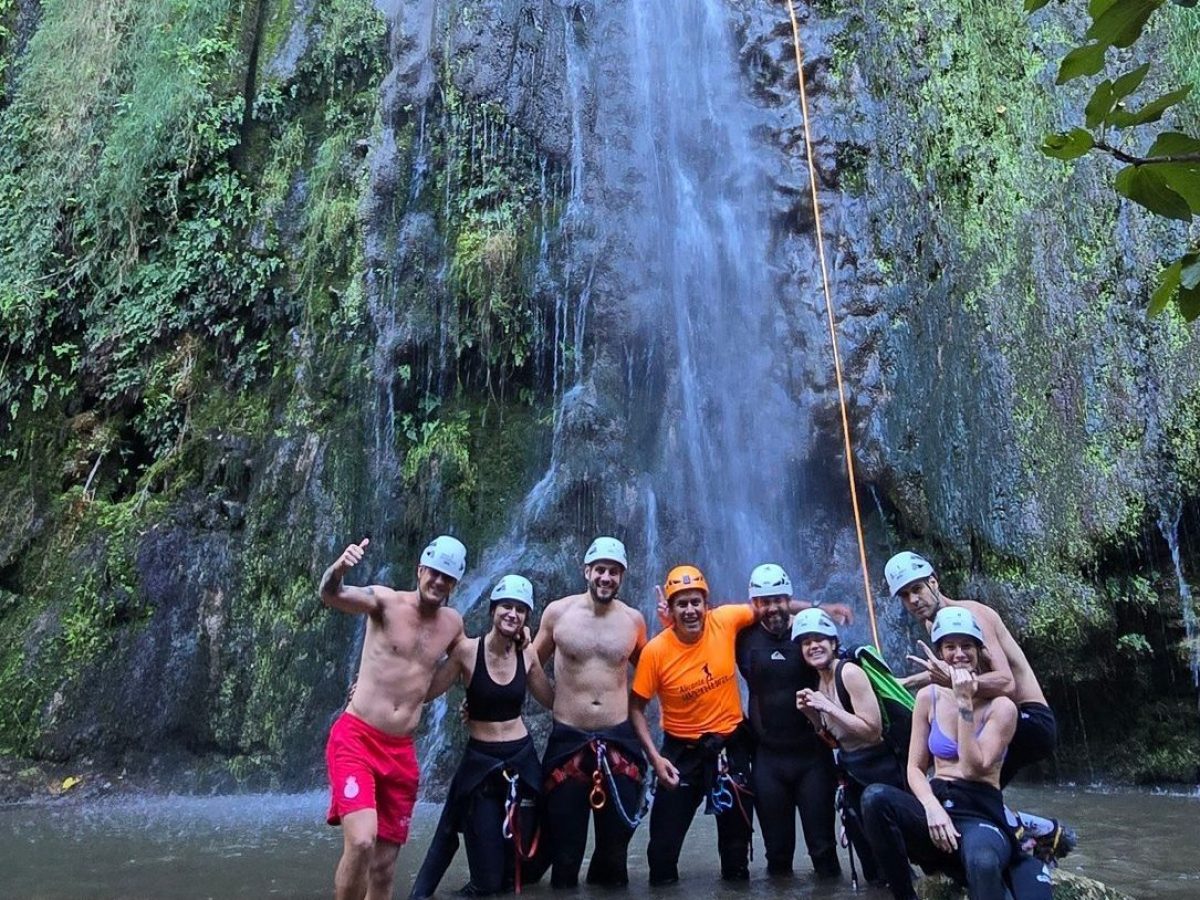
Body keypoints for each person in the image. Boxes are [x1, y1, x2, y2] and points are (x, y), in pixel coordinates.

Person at [630, 564, 853, 885]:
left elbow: (774, 603)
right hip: (684, 751)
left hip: (735, 747)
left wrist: (822, 609)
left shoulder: (735, 622)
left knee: (742, 851)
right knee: (663, 848)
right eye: (682, 603)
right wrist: (654, 757)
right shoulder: (661, 649)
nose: (690, 610)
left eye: (696, 602)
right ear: (671, 607)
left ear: (708, 604)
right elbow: (636, 706)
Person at [884, 551, 1074, 856]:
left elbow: (1006, 682)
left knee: (971, 787)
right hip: (987, 715)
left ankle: (1024, 837)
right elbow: (953, 676)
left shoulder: (971, 615)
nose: (913, 600)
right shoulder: (936, 626)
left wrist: (953, 684)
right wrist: (909, 683)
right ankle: (1029, 833)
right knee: (962, 785)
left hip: (1027, 718)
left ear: (934, 582)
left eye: (917, 589)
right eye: (905, 595)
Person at [860, 608, 1052, 900]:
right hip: (937, 810)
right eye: (950, 647)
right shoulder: (928, 697)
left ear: (979, 651)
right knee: (875, 798)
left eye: (967, 646)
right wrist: (930, 806)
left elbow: (975, 768)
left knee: (982, 863)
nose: (959, 654)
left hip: (980, 812)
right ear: (939, 653)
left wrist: (964, 699)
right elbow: (914, 767)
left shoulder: (1003, 708)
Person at [319, 534, 468, 900]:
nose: (438, 582)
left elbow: (465, 662)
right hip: (357, 738)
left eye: (447, 578)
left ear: (455, 585)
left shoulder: (453, 625)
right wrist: (338, 570)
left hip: (400, 752)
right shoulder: (384, 601)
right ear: (419, 571)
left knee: (384, 869)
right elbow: (331, 595)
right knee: (362, 839)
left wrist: (473, 704)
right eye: (433, 573)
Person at [410, 574, 556, 897]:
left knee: (536, 859)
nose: (512, 614)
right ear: (492, 610)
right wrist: (376, 691)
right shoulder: (466, 652)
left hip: (522, 760)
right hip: (481, 765)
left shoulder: (528, 654)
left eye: (520, 610)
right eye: (506, 606)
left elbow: (552, 700)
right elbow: (429, 689)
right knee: (487, 883)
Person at [530, 536, 650, 888]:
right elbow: (528, 664)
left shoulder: (633, 621)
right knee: (566, 853)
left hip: (618, 739)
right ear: (586, 571)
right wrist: (555, 703)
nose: (606, 578)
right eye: (600, 570)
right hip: (568, 738)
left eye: (614, 572)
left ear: (622, 576)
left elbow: (653, 672)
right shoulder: (558, 613)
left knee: (615, 853)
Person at [735, 564, 840, 879]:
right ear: (755, 604)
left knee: (823, 848)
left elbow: (838, 676)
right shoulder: (742, 638)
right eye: (764, 602)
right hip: (768, 758)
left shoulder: (809, 637)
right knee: (777, 854)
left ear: (789, 599)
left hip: (812, 757)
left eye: (778, 600)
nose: (772, 608)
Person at [794, 608, 905, 887]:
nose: (813, 646)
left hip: (879, 768)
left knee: (891, 852)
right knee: (870, 861)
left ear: (833, 642)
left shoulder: (850, 673)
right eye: (806, 642)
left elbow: (871, 730)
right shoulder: (820, 681)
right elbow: (835, 739)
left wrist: (828, 706)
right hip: (851, 771)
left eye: (819, 639)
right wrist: (812, 716)